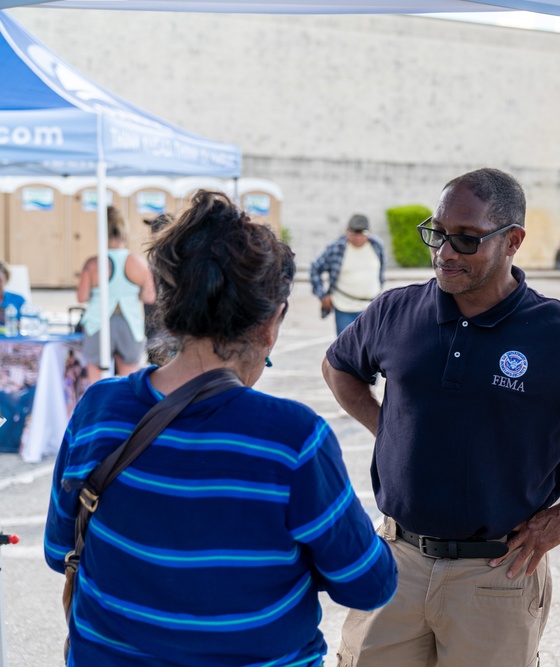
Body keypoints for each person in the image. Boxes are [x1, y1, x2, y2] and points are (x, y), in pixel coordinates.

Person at [323, 167, 560, 667]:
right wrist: (389, 431)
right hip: (396, 563)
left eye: (466, 239)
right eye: (437, 233)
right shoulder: (396, 311)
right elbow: (338, 368)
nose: (444, 251)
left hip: (496, 576)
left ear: (513, 241)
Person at [44, 190, 397, 666]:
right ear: (270, 324)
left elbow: (57, 548)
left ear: (168, 304)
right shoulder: (292, 439)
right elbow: (368, 584)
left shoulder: (99, 408)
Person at [76, 206, 156, 383]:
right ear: (125, 233)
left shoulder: (93, 263)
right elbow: (150, 297)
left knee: (96, 384)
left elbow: (81, 297)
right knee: (128, 383)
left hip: (98, 323)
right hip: (129, 324)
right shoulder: (138, 263)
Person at [309, 214, 386, 335]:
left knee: (371, 350)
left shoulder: (377, 246)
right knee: (346, 350)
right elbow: (315, 268)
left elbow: (381, 272)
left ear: (369, 232)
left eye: (362, 232)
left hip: (371, 308)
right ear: (346, 231)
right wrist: (322, 295)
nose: (358, 236)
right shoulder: (336, 248)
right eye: (353, 232)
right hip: (344, 308)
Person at [142, 212, 177, 366]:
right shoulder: (178, 256)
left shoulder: (159, 257)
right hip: (168, 329)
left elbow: (150, 294)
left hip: (160, 327)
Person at [0, 259, 26, 330]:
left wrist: (13, 323)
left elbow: (26, 325)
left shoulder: (18, 300)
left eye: (0, 280)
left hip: (13, 339)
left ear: (6, 279)